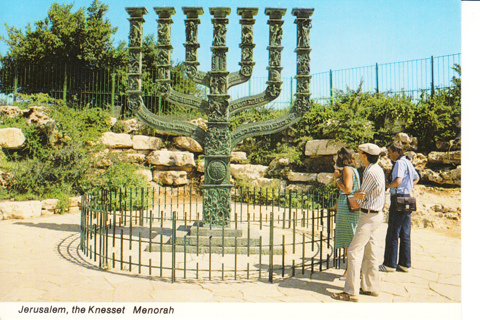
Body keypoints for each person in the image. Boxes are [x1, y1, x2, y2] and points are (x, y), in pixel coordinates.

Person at [332, 143, 385, 302]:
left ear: (365, 156)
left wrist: (340, 183)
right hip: (377, 214)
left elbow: (360, 194)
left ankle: (350, 291)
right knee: (371, 252)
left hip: (368, 216)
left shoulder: (369, 172)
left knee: (354, 251)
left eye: (362, 154)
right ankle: (370, 287)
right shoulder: (379, 169)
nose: (360, 157)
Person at [380, 142, 420, 273]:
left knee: (393, 231)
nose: (389, 155)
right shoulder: (408, 162)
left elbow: (398, 180)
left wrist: (388, 186)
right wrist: (408, 188)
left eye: (390, 152)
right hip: (407, 197)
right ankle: (404, 263)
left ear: (396, 151)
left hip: (398, 198)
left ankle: (389, 264)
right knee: (405, 232)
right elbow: (416, 178)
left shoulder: (399, 163)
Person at [333, 147, 361, 280]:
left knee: (348, 239)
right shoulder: (354, 170)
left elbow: (348, 189)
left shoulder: (346, 170)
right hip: (352, 205)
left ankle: (349, 271)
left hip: (347, 206)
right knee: (351, 237)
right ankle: (354, 269)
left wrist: (337, 179)